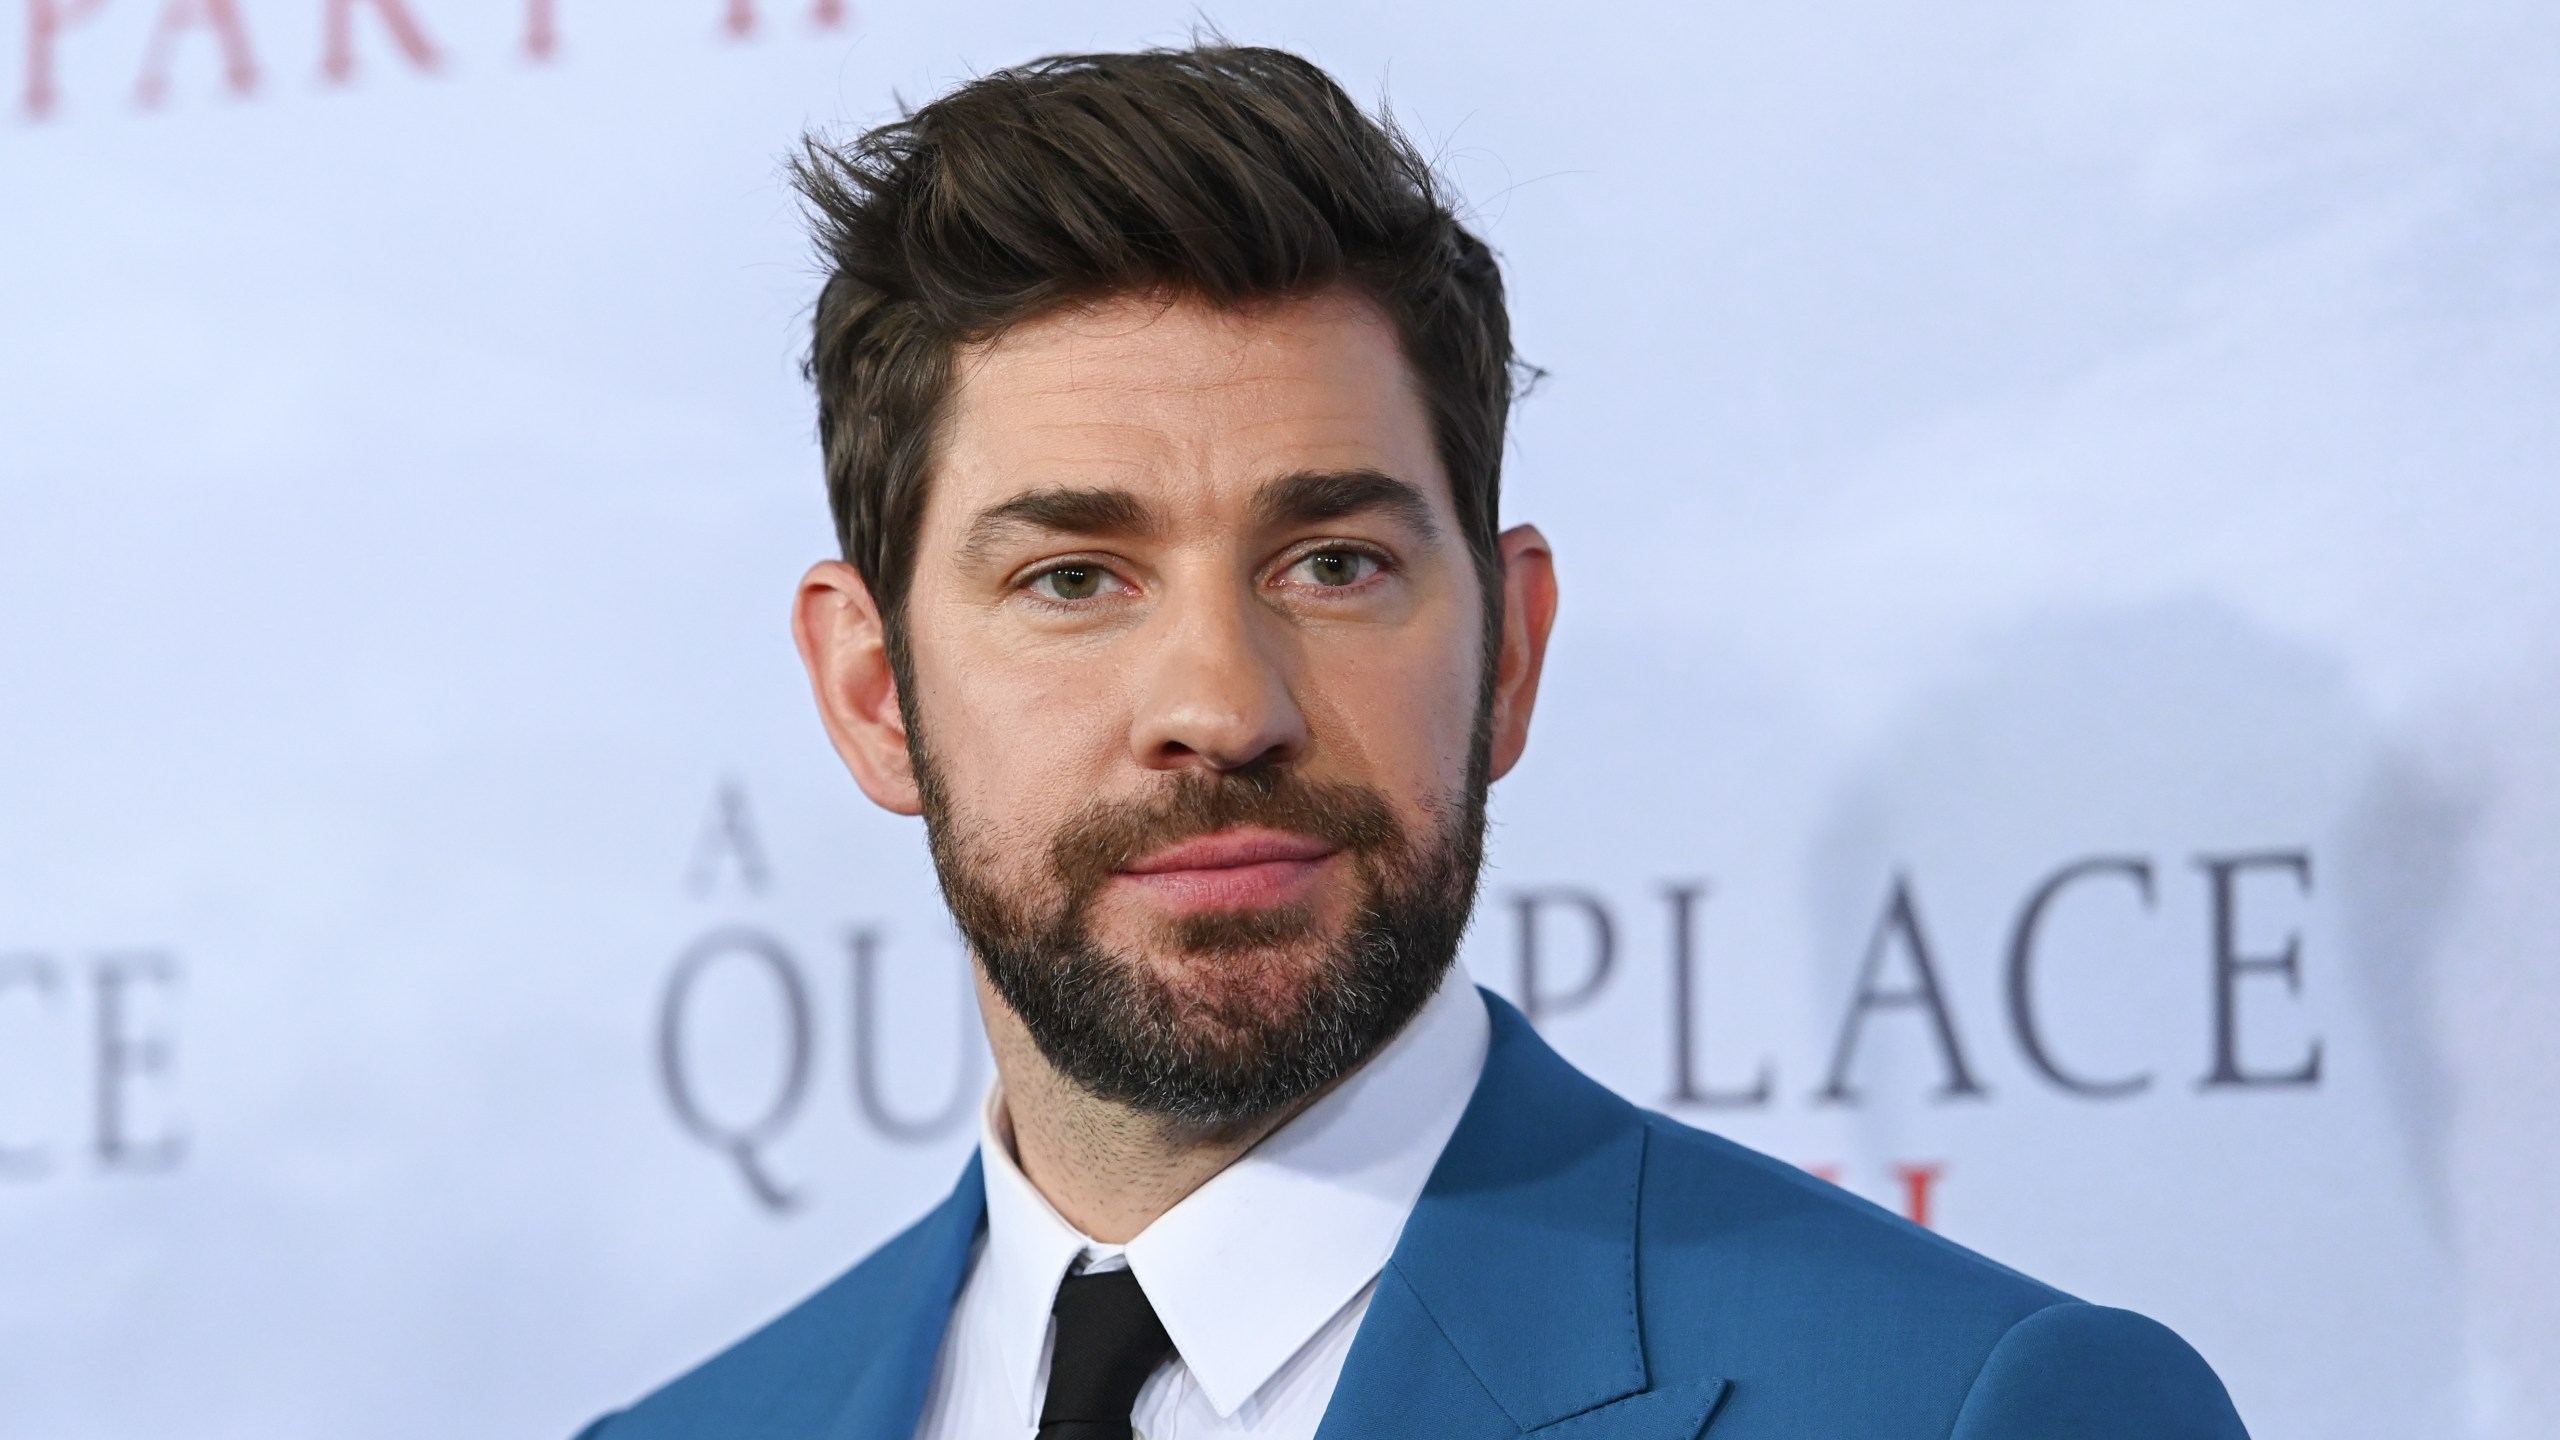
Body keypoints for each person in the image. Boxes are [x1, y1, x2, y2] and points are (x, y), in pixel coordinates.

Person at [575, 43, 2249, 1440]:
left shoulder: (1967, 1407)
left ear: (1508, 651)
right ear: (875, 693)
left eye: (1333, 564)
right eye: (1074, 579)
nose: (1223, 708)